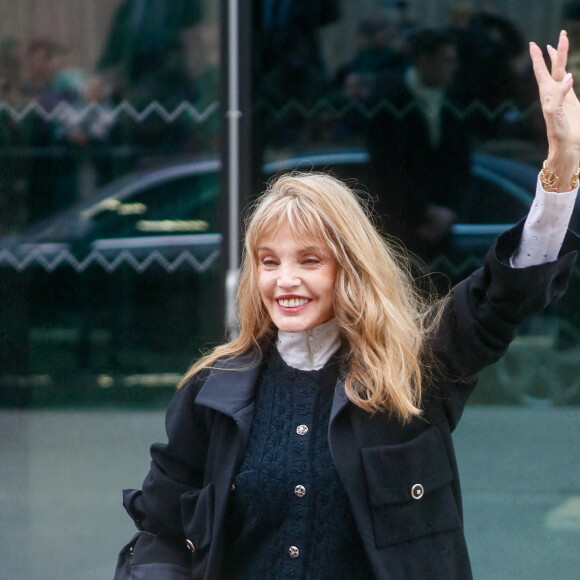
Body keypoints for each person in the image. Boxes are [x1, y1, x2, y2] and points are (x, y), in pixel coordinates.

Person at [114, 32, 580, 579]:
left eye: (309, 260)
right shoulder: (211, 392)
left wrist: (562, 166)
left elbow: (505, 294)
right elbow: (160, 533)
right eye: (269, 261)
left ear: (348, 270)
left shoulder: (413, 368)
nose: (285, 280)